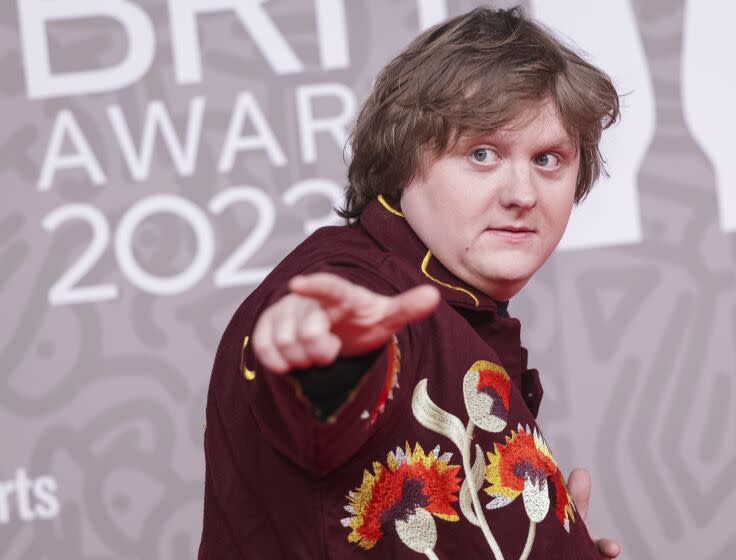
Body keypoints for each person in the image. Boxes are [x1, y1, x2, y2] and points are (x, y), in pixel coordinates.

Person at [199, 6, 621, 559]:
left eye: (547, 159)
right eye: (482, 153)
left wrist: (548, 541)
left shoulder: (460, 306)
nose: (522, 194)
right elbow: (327, 380)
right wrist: (321, 354)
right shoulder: (360, 284)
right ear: (403, 163)